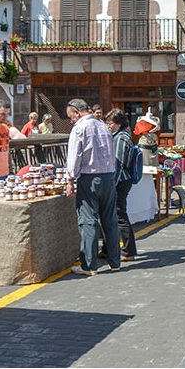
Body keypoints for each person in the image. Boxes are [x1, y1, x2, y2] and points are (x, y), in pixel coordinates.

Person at [65, 98, 121, 276]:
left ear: (76, 112)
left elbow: (74, 156)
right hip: (108, 177)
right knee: (110, 220)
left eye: (71, 116)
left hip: (89, 178)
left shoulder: (80, 128)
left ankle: (89, 265)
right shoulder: (103, 126)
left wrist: (70, 180)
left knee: (88, 221)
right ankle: (115, 261)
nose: (71, 120)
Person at [105, 108, 137, 262]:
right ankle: (108, 248)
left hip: (120, 181)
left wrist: (112, 184)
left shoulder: (121, 138)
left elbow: (118, 164)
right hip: (122, 180)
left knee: (119, 215)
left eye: (110, 123)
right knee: (113, 214)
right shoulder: (121, 136)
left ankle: (128, 251)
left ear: (118, 123)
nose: (108, 125)